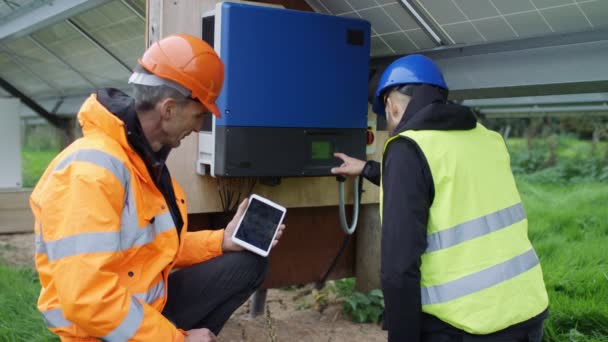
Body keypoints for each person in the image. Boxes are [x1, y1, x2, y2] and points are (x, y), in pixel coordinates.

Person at [30, 34, 284, 342]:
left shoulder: (142, 162)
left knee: (247, 263)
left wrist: (221, 240)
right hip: (98, 332)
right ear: (168, 109)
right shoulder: (88, 173)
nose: (197, 127)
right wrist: (176, 339)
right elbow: (88, 300)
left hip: (141, 308)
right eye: (199, 115)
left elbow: (153, 246)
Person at [331, 54, 548, 341]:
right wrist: (368, 168)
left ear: (391, 106)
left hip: (468, 324)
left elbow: (399, 266)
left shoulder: (407, 148)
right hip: (526, 310)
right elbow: (444, 184)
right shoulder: (487, 138)